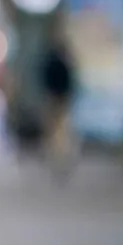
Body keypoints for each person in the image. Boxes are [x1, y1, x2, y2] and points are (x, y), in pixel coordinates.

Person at [40, 34, 77, 180]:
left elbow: (45, 79)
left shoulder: (50, 61)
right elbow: (71, 82)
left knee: (53, 130)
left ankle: (55, 153)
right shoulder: (64, 63)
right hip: (61, 99)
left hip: (53, 98)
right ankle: (59, 153)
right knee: (61, 130)